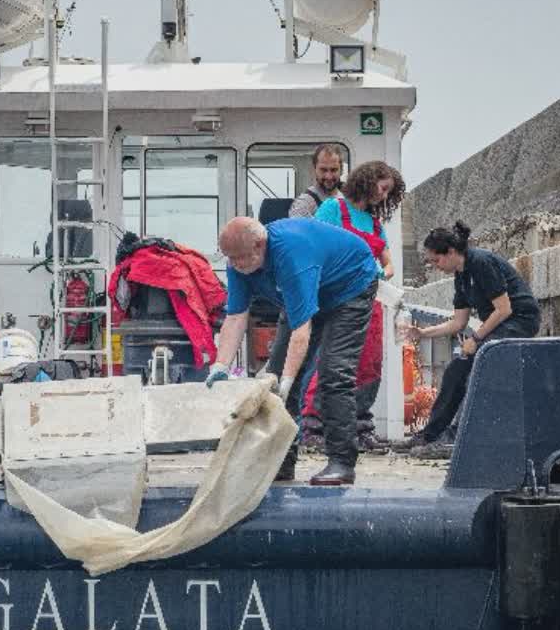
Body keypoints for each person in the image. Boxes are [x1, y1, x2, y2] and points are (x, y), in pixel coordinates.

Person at [205, 216, 381, 486]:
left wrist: (287, 380)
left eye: (241, 258)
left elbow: (301, 331)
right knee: (273, 379)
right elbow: (236, 316)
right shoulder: (237, 263)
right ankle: (280, 464)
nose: (237, 265)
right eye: (230, 259)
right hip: (305, 294)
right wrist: (220, 365)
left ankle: (342, 462)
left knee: (334, 373)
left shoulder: (291, 254)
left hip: (349, 286)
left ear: (260, 245)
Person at [398, 221, 541, 455]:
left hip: (520, 320)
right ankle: (431, 435)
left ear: (452, 252)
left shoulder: (480, 263)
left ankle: (459, 435)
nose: (435, 266)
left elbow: (504, 309)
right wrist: (423, 333)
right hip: (498, 325)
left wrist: (475, 339)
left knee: (478, 361)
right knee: (457, 368)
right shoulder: (461, 276)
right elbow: (458, 322)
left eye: (437, 260)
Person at [305, 161, 405, 447]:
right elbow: (318, 249)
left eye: (389, 193)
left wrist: (379, 275)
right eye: (383, 189)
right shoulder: (333, 209)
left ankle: (360, 426)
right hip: (336, 298)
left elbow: (388, 264)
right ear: (369, 180)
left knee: (369, 363)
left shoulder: (373, 222)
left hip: (369, 300)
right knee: (331, 360)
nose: (384, 197)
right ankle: (313, 425)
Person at [287, 143, 348, 218]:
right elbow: (295, 228)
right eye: (323, 170)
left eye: (333, 170)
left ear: (341, 170)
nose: (328, 176)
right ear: (314, 170)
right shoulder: (303, 204)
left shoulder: (348, 200)